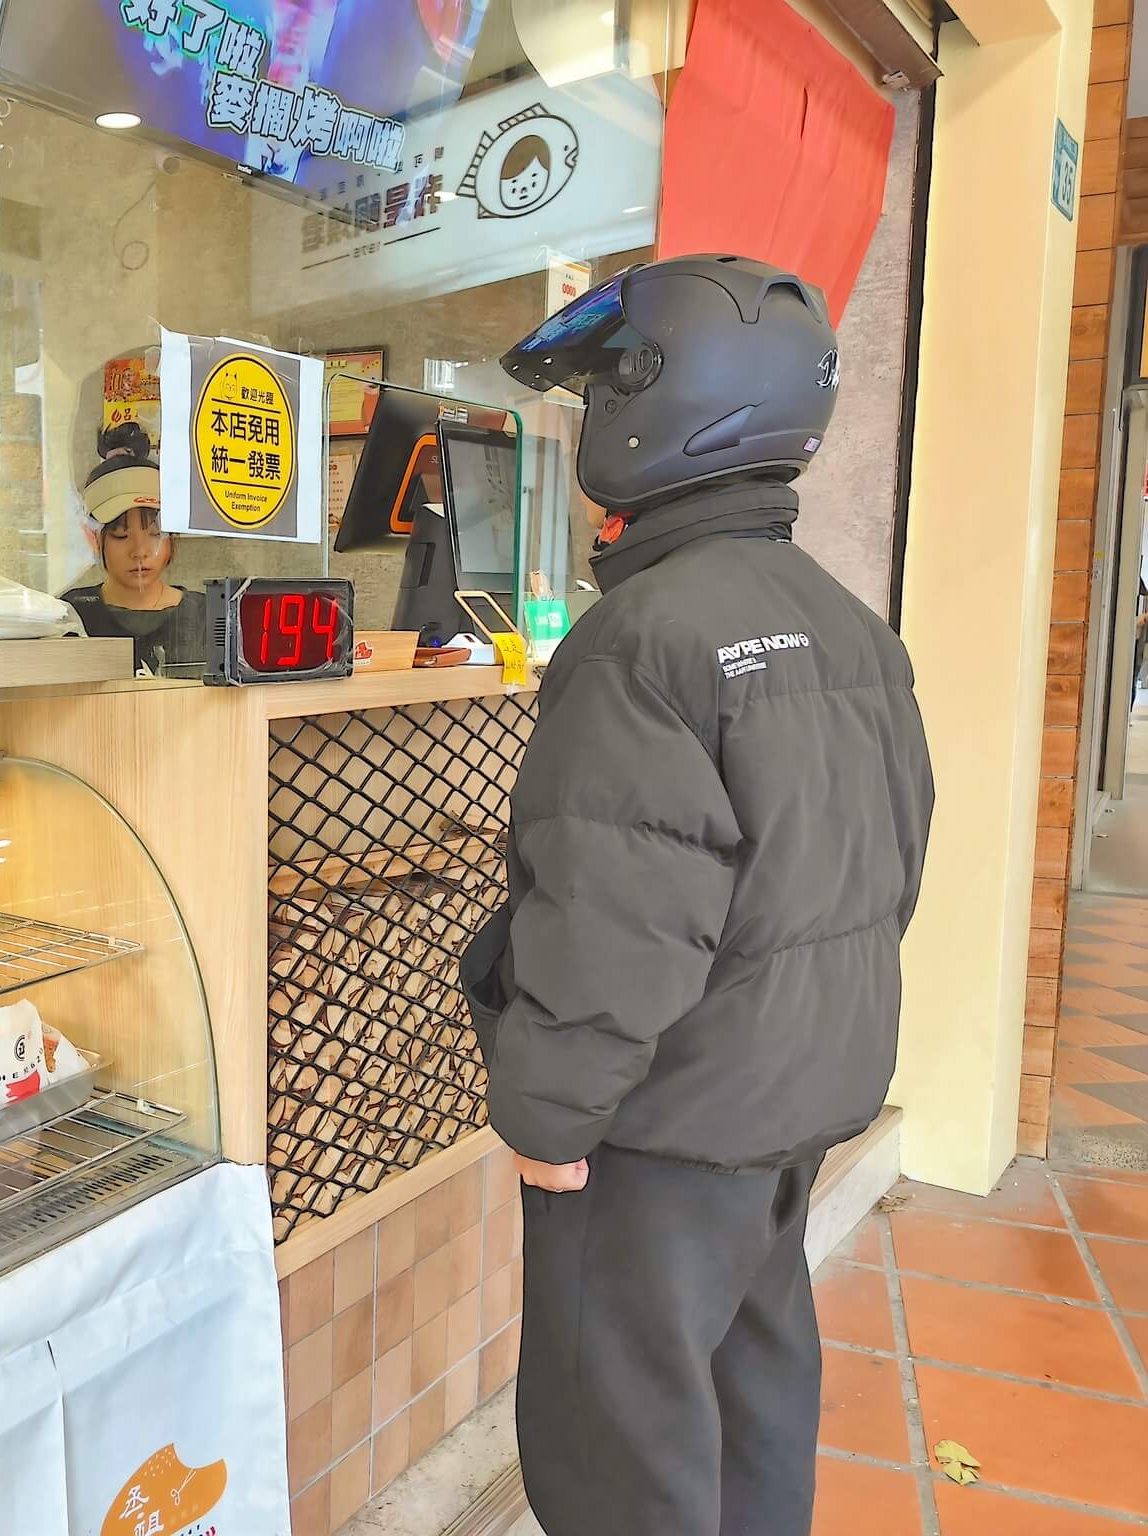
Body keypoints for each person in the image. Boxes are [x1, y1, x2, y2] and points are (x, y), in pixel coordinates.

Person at [463, 256, 935, 1536]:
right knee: (752, 1393)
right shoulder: (847, 626)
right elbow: (890, 859)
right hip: (789, 1096)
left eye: (598, 392)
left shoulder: (641, 640)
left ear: (652, 407)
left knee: (617, 1449)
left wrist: (548, 1116)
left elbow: (612, 916)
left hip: (660, 1127)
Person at [62, 423, 210, 675]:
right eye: (121, 535)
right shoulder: (71, 617)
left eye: (154, 533)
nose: (140, 551)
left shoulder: (206, 617)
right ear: (94, 538)